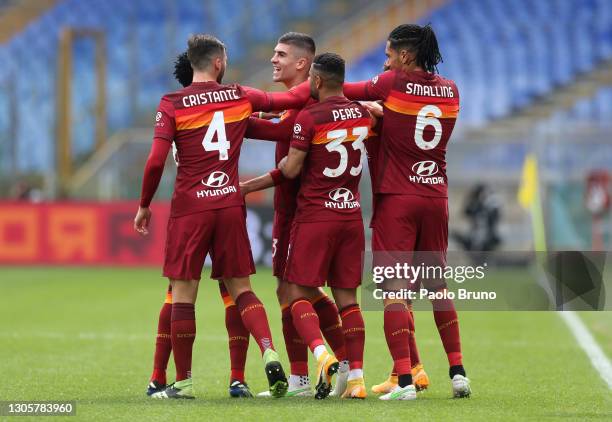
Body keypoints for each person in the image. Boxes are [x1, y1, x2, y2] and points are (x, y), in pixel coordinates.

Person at [134, 34, 311, 399]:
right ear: (218, 63)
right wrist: (323, 95)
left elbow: (154, 161)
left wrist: (145, 203)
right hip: (230, 204)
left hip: (190, 208)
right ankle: (268, 352)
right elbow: (290, 104)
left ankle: (180, 381)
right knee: (241, 290)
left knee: (182, 294)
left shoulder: (172, 103)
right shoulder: (239, 97)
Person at [340, 23, 471, 400]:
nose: (385, 62)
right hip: (435, 196)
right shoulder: (451, 89)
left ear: (405, 55)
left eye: (388, 55)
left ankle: (404, 381)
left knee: (393, 290)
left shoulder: (390, 85)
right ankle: (458, 371)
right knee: (437, 286)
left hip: (398, 199)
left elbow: (335, 90)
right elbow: (413, 119)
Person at [242, 52, 372, 400]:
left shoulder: (310, 116)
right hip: (350, 214)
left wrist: (278, 166)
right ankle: (356, 378)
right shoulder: (362, 113)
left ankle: (322, 355)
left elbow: (291, 170)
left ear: (314, 80)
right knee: (349, 301)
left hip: (315, 216)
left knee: (294, 293)